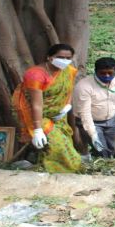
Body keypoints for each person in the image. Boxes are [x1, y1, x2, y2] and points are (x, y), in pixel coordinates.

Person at [12, 43, 81, 173]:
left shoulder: (68, 71)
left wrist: (67, 105)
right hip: (36, 116)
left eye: (68, 58)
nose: (64, 61)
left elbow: (68, 89)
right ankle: (58, 172)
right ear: (49, 57)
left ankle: (56, 169)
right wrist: (37, 130)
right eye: (60, 57)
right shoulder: (36, 75)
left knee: (66, 144)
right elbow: (36, 104)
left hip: (59, 115)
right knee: (58, 145)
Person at [73, 57, 115, 159]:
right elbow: (84, 113)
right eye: (103, 73)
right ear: (96, 71)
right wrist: (92, 133)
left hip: (110, 120)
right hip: (90, 120)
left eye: (110, 73)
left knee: (110, 147)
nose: (107, 76)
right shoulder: (84, 86)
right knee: (101, 150)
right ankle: (100, 165)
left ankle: (104, 161)